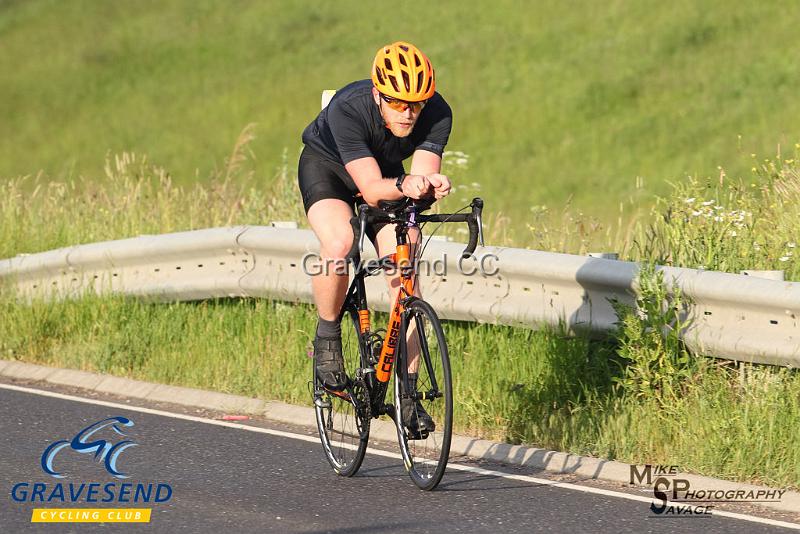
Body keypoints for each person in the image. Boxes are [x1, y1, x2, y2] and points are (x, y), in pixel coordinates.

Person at [298, 41, 453, 433]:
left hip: (385, 176)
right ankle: (328, 333)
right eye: (399, 103)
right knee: (339, 244)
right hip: (329, 169)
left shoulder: (437, 113)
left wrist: (429, 184)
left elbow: (418, 177)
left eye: (417, 104)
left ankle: (408, 395)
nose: (409, 113)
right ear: (377, 95)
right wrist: (406, 182)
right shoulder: (348, 108)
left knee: (407, 272)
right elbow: (369, 189)